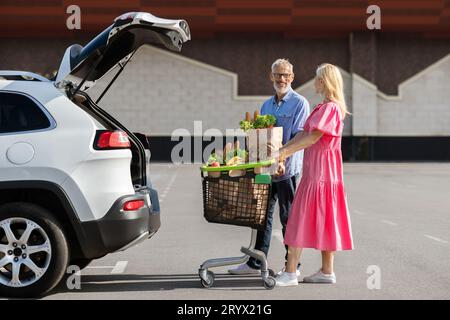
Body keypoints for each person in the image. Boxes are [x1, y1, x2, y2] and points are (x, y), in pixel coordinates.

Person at [274, 63, 354, 287]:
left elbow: (312, 138)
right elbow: (302, 136)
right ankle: (327, 271)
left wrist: (283, 154)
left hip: (319, 175)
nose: (316, 82)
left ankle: (290, 272)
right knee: (327, 220)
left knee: (297, 220)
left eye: (318, 78)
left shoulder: (330, 109)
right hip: (324, 175)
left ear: (325, 82)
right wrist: (280, 151)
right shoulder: (327, 107)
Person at [228, 58, 310, 276]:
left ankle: (292, 266)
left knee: (288, 218)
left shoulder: (300, 103)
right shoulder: (266, 105)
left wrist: (282, 158)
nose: (281, 79)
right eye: (277, 74)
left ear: (292, 78)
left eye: (285, 75)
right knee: (261, 215)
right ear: (270, 76)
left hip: (287, 170)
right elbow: (261, 137)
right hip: (265, 170)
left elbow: (300, 135)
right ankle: (255, 263)